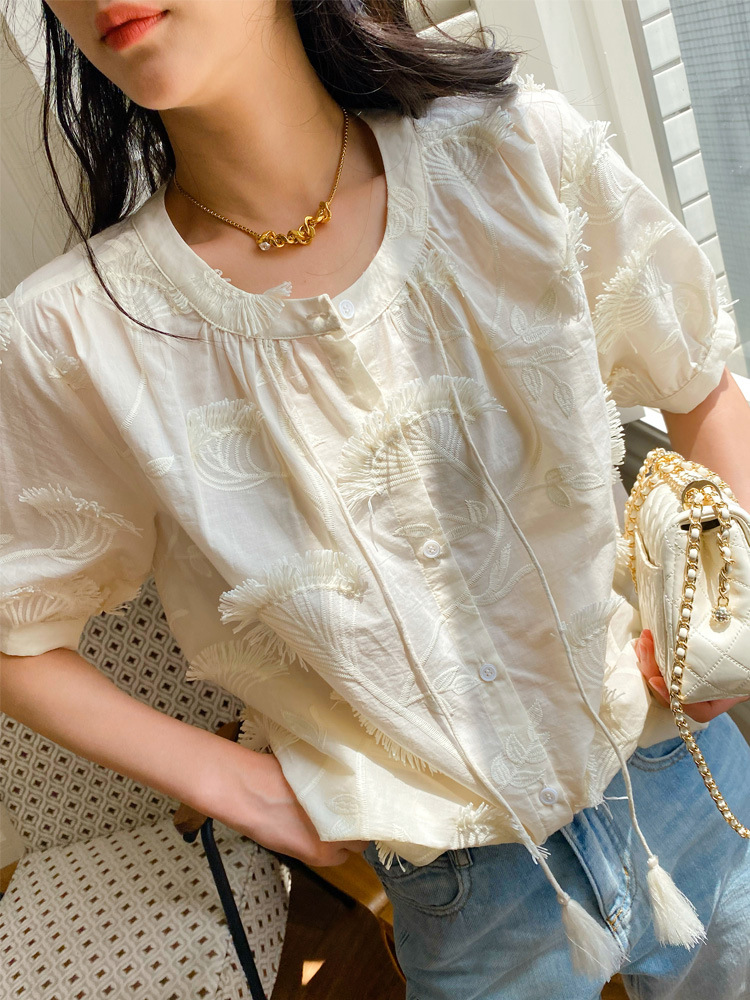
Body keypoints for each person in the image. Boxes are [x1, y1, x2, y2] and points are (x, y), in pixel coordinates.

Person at [1, 2, 749, 997]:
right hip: (460, 893)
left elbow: (699, 383)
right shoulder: (73, 338)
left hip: (683, 771)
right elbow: (16, 634)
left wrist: (729, 621)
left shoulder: (515, 154)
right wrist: (237, 786)